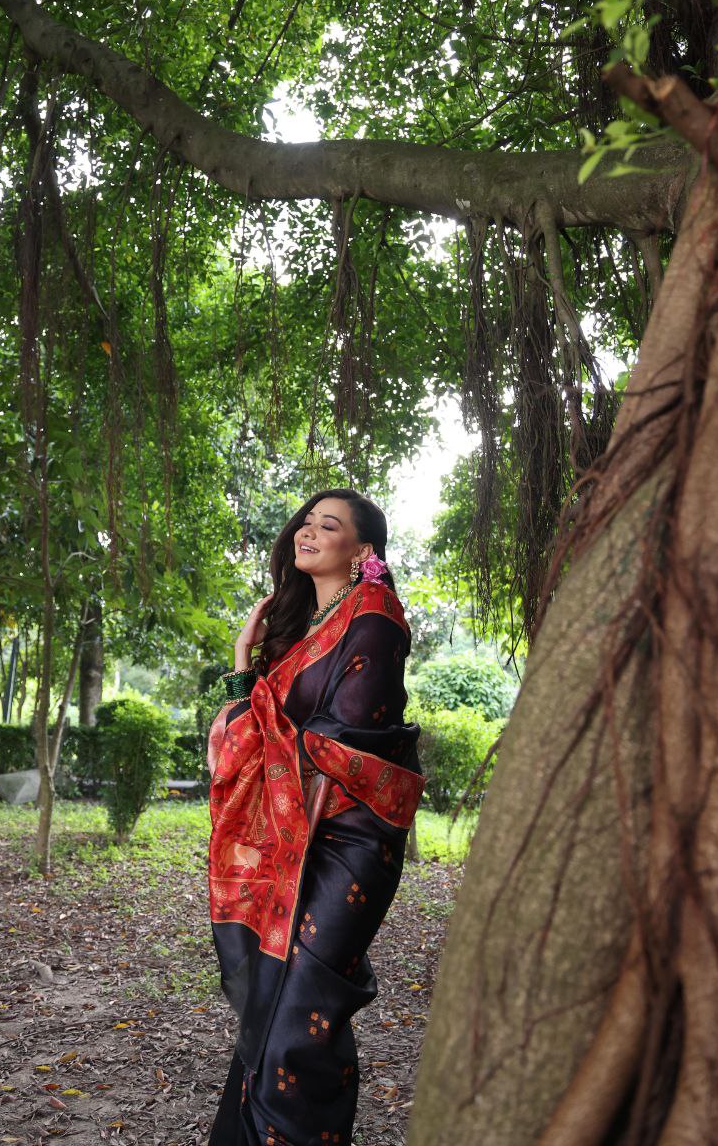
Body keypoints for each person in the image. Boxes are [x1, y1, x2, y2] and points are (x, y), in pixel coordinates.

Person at [207, 488, 425, 1145]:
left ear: (362, 552)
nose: (306, 530)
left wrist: (269, 732)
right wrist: (246, 663)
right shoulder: (295, 627)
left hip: (350, 838)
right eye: (304, 519)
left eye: (327, 525)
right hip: (287, 836)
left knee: (304, 1015)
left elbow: (351, 740)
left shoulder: (375, 618)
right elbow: (242, 737)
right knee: (270, 1011)